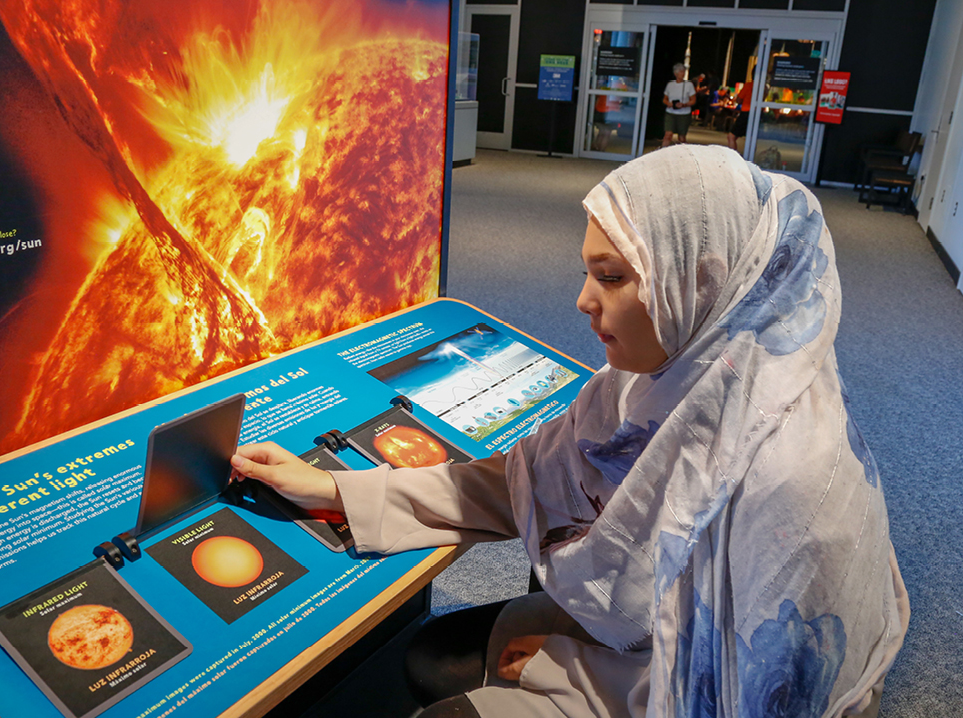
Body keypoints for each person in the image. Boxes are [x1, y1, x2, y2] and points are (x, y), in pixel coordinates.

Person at [231, 145, 909, 718]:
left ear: (699, 282)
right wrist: (335, 487)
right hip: (635, 640)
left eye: (611, 278)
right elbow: (520, 482)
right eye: (587, 272)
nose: (584, 302)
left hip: (660, 687)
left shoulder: (789, 485)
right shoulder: (656, 379)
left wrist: (571, 671)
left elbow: (731, 691)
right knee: (429, 654)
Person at [661, 63, 695, 148]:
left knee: (682, 137)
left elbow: (693, 100)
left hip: (684, 114)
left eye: (683, 71)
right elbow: (664, 99)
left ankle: (683, 154)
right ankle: (663, 153)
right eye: (681, 72)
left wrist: (684, 104)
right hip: (670, 112)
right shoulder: (670, 85)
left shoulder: (689, 85)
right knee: (668, 135)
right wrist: (668, 103)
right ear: (675, 73)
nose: (682, 73)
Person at [726, 80, 754, 155]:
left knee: (731, 136)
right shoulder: (764, 87)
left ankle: (733, 156)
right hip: (757, 113)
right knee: (752, 138)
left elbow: (739, 99)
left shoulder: (749, 85)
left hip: (746, 112)